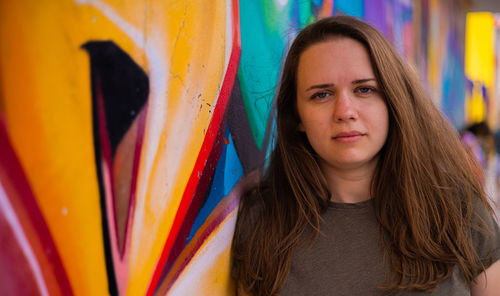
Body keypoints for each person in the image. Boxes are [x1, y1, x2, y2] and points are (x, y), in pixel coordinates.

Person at [231, 16, 500, 295]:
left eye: (365, 89)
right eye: (321, 95)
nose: (345, 111)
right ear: (296, 115)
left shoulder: (455, 207)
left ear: (392, 101)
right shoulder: (262, 221)